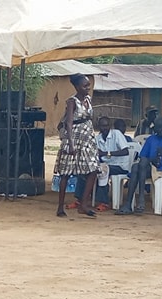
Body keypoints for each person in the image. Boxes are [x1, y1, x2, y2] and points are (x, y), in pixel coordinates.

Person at [53, 74, 100, 218]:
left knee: (93, 169)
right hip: (73, 139)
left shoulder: (88, 99)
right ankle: (60, 207)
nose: (88, 88)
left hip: (87, 139)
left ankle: (83, 204)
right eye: (85, 85)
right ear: (77, 87)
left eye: (88, 85)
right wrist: (71, 144)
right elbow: (68, 123)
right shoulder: (72, 102)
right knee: (66, 173)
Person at [118, 117, 162, 214]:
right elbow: (142, 157)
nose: (160, 130)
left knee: (136, 168)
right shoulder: (151, 139)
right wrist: (153, 160)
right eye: (157, 127)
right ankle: (139, 200)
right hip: (149, 168)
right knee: (138, 165)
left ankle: (132, 203)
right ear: (154, 128)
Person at [94, 116, 132, 211]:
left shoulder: (117, 134)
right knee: (91, 169)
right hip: (106, 165)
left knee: (103, 170)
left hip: (120, 166)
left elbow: (125, 151)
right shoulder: (97, 139)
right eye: (102, 126)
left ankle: (104, 202)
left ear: (110, 126)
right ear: (99, 127)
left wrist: (107, 153)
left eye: (106, 126)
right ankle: (81, 199)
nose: (105, 128)